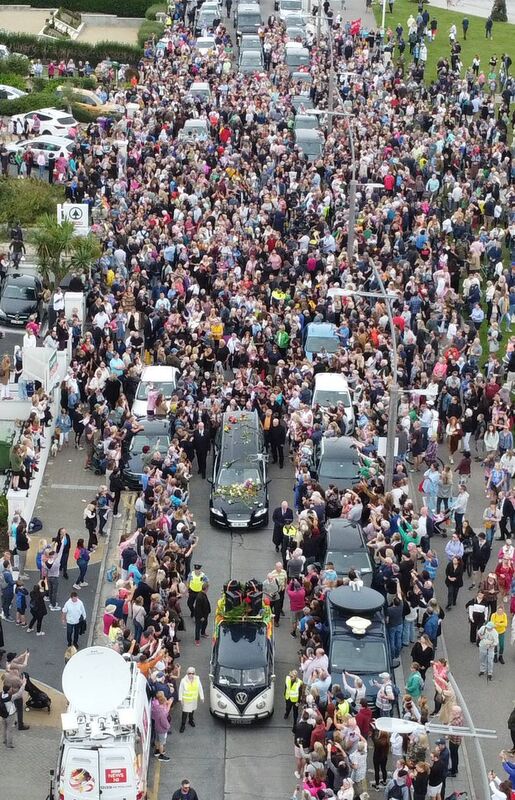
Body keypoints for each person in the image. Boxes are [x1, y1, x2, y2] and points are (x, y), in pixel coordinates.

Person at [1, 675, 26, 748]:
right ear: (8, 690)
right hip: (10, 715)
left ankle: (4, 740)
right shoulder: (11, 697)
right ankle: (9, 744)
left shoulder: (0, 694)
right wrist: (23, 684)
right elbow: (19, 693)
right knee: (9, 729)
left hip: (3, 714)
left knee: (4, 728)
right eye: (10, 689)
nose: (11, 689)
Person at [178, 667, 204, 732]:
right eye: (189, 673)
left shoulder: (197, 679)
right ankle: (183, 725)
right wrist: (180, 698)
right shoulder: (183, 680)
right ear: (187, 673)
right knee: (185, 713)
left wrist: (202, 697)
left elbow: (200, 688)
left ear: (194, 673)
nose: (191, 675)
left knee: (192, 710)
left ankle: (190, 720)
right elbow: (180, 690)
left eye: (192, 673)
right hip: (186, 700)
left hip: (194, 699)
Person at [151, 690, 173, 761]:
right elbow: (164, 723)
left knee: (157, 740)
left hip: (157, 727)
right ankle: (161, 755)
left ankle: (157, 751)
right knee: (162, 743)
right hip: (162, 730)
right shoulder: (162, 713)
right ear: (163, 703)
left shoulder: (155, 708)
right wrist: (168, 727)